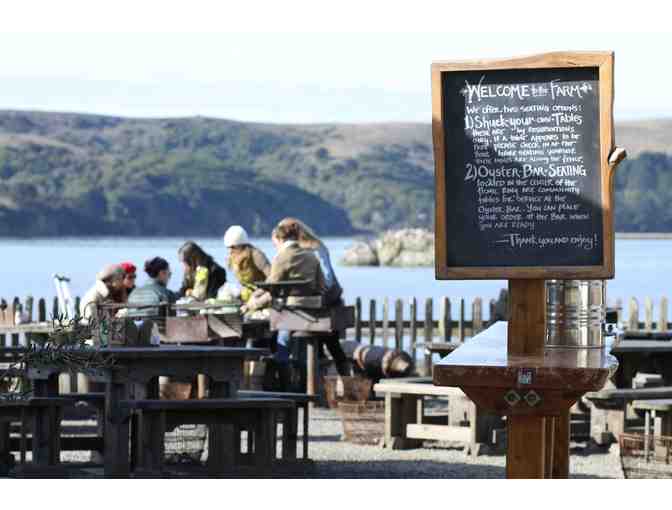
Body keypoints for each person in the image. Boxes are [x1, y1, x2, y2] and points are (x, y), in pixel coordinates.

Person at [243, 222, 327, 391]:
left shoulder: (282, 257)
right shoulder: (311, 256)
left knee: (281, 347)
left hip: (291, 314)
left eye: (274, 241)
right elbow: (321, 286)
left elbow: (272, 289)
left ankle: (286, 389)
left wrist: (252, 304)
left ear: (279, 239)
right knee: (302, 351)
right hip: (312, 314)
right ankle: (306, 388)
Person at [277, 217, 351, 377]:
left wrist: (308, 293)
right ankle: (306, 381)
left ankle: (343, 382)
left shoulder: (315, 248)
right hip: (312, 303)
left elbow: (327, 279)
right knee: (325, 346)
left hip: (327, 302)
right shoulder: (295, 251)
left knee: (330, 344)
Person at [223, 225, 271, 302]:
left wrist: (261, 292)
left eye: (233, 247)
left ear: (241, 245)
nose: (230, 251)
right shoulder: (231, 257)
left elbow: (271, 276)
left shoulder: (256, 254)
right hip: (245, 294)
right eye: (228, 248)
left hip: (260, 294)